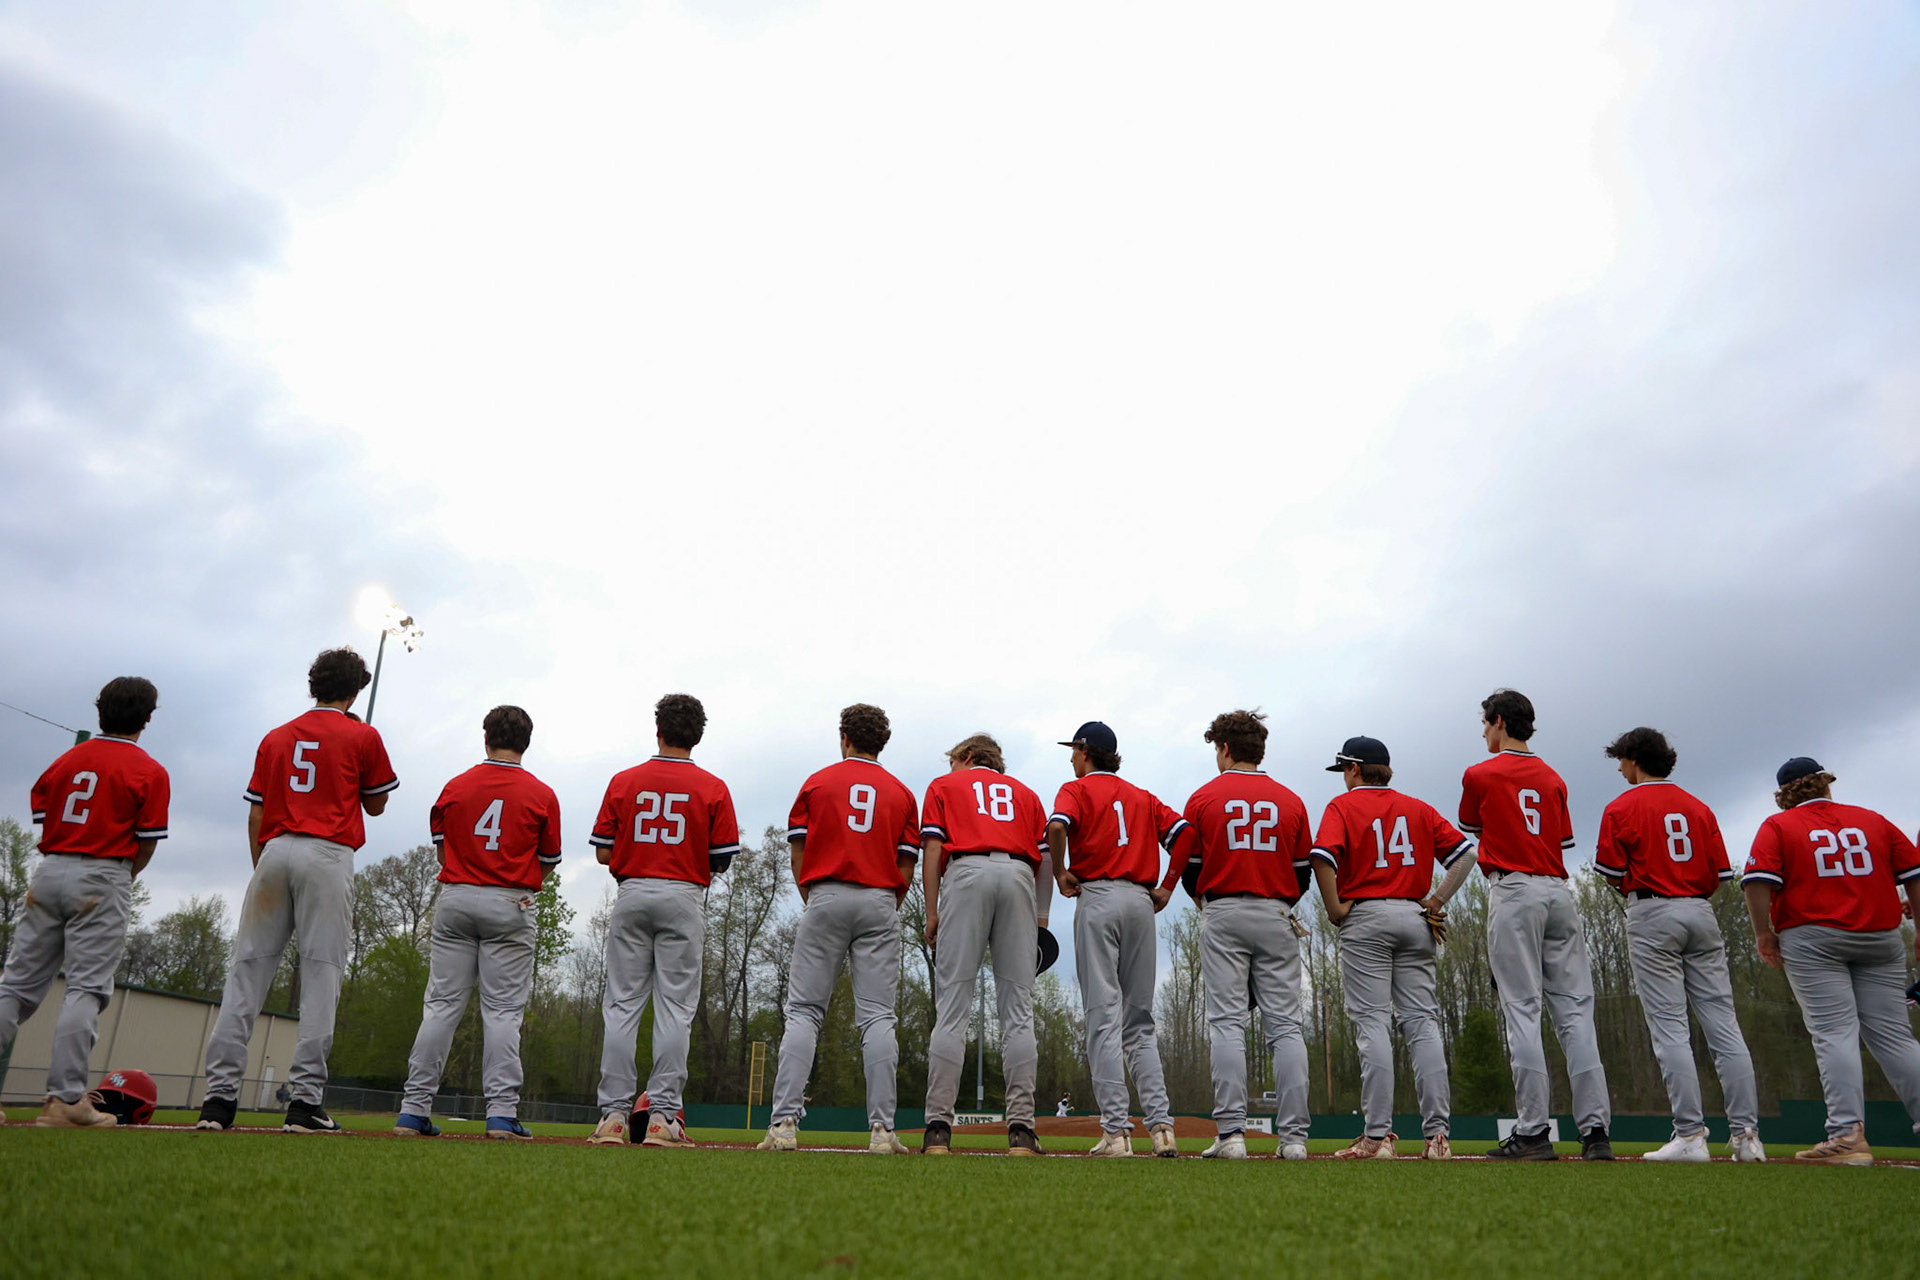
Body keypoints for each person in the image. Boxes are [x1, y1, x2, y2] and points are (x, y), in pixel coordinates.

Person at [197, 648, 398, 1134]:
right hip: (326, 853)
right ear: (354, 692)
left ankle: (217, 1101)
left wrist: (262, 866)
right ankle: (304, 1102)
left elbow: (255, 812)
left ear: (314, 685)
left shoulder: (276, 735)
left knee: (246, 973)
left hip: (273, 849)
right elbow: (376, 806)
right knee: (321, 974)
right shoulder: (362, 733)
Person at [0, 678, 168, 1128]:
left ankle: (64, 1098)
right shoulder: (149, 770)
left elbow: (43, 813)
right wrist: (120, 876)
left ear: (100, 711)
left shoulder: (67, 760)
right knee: (86, 988)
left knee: (15, 986)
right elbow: (146, 843)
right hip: (104, 871)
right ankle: (66, 1100)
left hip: (51, 867)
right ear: (148, 718)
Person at [1595, 727, 1763, 1164]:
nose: (1619, 767)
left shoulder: (1622, 805)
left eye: (1621, 759)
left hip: (1653, 911)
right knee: (1724, 1026)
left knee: (1671, 1029)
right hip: (1700, 911)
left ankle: (1690, 1135)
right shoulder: (1699, 806)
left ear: (1635, 758)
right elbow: (1721, 876)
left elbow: (1611, 870)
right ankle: (1747, 1138)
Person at [1742, 757, 1920, 1165]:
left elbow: (1756, 882)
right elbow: (1914, 871)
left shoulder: (1779, 825)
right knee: (1895, 1038)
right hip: (1880, 936)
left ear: (1784, 793)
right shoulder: (1872, 820)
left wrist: (1763, 932)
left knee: (1834, 1032)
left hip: (1814, 937)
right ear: (1825, 784)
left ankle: (1846, 1136)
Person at [394, 705, 561, 1141]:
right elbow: (548, 863)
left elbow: (441, 852)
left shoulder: (456, 785)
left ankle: (413, 1110)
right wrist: (516, 888)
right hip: (510, 900)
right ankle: (501, 1115)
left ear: (485, 738)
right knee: (503, 1012)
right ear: (526, 742)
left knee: (441, 1006)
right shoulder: (542, 794)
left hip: (457, 895)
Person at [1460, 689, 1612, 1160]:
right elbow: (1562, 838)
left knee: (1522, 1011)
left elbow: (1476, 828)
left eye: (1486, 722)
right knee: (1576, 1016)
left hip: (1515, 890)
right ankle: (1595, 1134)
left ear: (1500, 721)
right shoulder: (1553, 777)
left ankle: (1532, 1132)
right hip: (1558, 892)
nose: (1483, 731)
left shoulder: (1480, 773)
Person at [760, 704, 918, 1155]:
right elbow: (907, 862)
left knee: (805, 1012)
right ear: (880, 743)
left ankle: (785, 1124)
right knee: (878, 1016)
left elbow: (798, 849)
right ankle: (883, 1131)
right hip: (880, 899)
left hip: (826, 892)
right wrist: (889, 902)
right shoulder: (902, 792)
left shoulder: (817, 781)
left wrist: (812, 895)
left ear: (844, 737)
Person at [1311, 734, 1474, 1161]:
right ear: (1389, 772)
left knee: (1373, 1024)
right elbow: (1465, 855)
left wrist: (1334, 908)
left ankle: (1376, 1136)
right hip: (1414, 916)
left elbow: (1323, 857)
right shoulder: (1418, 808)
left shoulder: (1343, 806)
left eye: (1344, 770)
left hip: (1366, 916)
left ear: (1353, 769)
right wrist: (1437, 900)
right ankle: (1438, 1137)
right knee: (1422, 1023)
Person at [588, 694, 741, 1148]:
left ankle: (614, 1117)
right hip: (683, 894)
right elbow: (721, 860)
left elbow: (601, 850)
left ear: (657, 729)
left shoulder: (624, 780)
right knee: (675, 1009)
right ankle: (662, 1117)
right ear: (697, 735)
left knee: (622, 1006)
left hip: (633, 891)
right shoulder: (713, 786)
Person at [1048, 720, 1193, 1158]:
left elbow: (1057, 828)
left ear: (1087, 751)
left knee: (1102, 1018)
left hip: (1099, 896)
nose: (1071, 757)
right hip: (1140, 902)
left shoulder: (1075, 790)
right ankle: (1163, 1128)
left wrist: (1059, 873)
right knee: (1140, 1023)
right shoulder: (1143, 796)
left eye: (1074, 750)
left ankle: (1116, 1132)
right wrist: (1168, 885)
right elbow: (1184, 833)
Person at [1172, 710, 1312, 1162]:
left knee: (1227, 1024)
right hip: (1276, 911)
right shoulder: (1291, 801)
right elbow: (1303, 873)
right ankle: (1293, 1140)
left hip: (1224, 910)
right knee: (1286, 1027)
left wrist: (1210, 902)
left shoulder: (1203, 798)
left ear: (1226, 749)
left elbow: (1190, 871)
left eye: (1217, 748)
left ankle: (1232, 1135)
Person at [918, 733, 1051, 1157]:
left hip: (967, 872)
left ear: (968, 756)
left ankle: (938, 1129)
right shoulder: (1027, 795)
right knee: (1017, 1010)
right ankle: (1022, 1132)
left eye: (954, 759)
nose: (951, 766)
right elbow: (1044, 858)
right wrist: (1042, 918)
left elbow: (934, 847)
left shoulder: (944, 786)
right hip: (1018, 878)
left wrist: (932, 910)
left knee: (953, 1006)